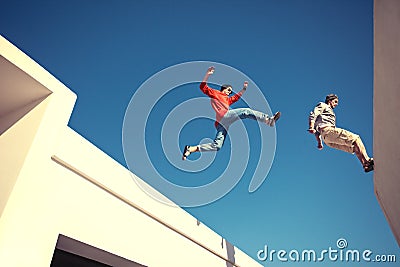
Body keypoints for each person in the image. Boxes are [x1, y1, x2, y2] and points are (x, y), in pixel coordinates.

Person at [182, 66, 281, 160]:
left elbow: (236, 97)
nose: (229, 92)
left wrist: (243, 89)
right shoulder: (216, 93)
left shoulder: (227, 100)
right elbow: (203, 87)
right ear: (224, 89)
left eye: (230, 91)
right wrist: (207, 74)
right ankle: (268, 120)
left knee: (217, 146)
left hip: (221, 124)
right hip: (224, 116)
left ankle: (191, 149)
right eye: (229, 90)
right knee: (245, 111)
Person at [308, 94, 374, 172]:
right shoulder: (323, 105)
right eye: (335, 102)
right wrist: (311, 127)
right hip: (328, 131)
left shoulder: (326, 114)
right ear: (330, 101)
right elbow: (313, 114)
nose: (336, 104)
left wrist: (319, 143)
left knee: (354, 147)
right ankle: (367, 160)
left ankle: (365, 166)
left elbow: (317, 132)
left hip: (327, 140)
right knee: (356, 138)